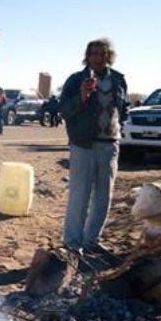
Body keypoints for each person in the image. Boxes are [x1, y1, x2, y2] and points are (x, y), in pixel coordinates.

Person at [60, 38, 129, 252]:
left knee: (103, 196)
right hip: (83, 144)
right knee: (79, 195)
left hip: (109, 144)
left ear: (109, 56)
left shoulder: (118, 80)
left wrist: (120, 128)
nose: (98, 58)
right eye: (94, 54)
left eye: (102, 54)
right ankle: (73, 243)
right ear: (87, 57)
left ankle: (92, 241)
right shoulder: (75, 80)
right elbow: (65, 110)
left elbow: (122, 108)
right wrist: (82, 95)